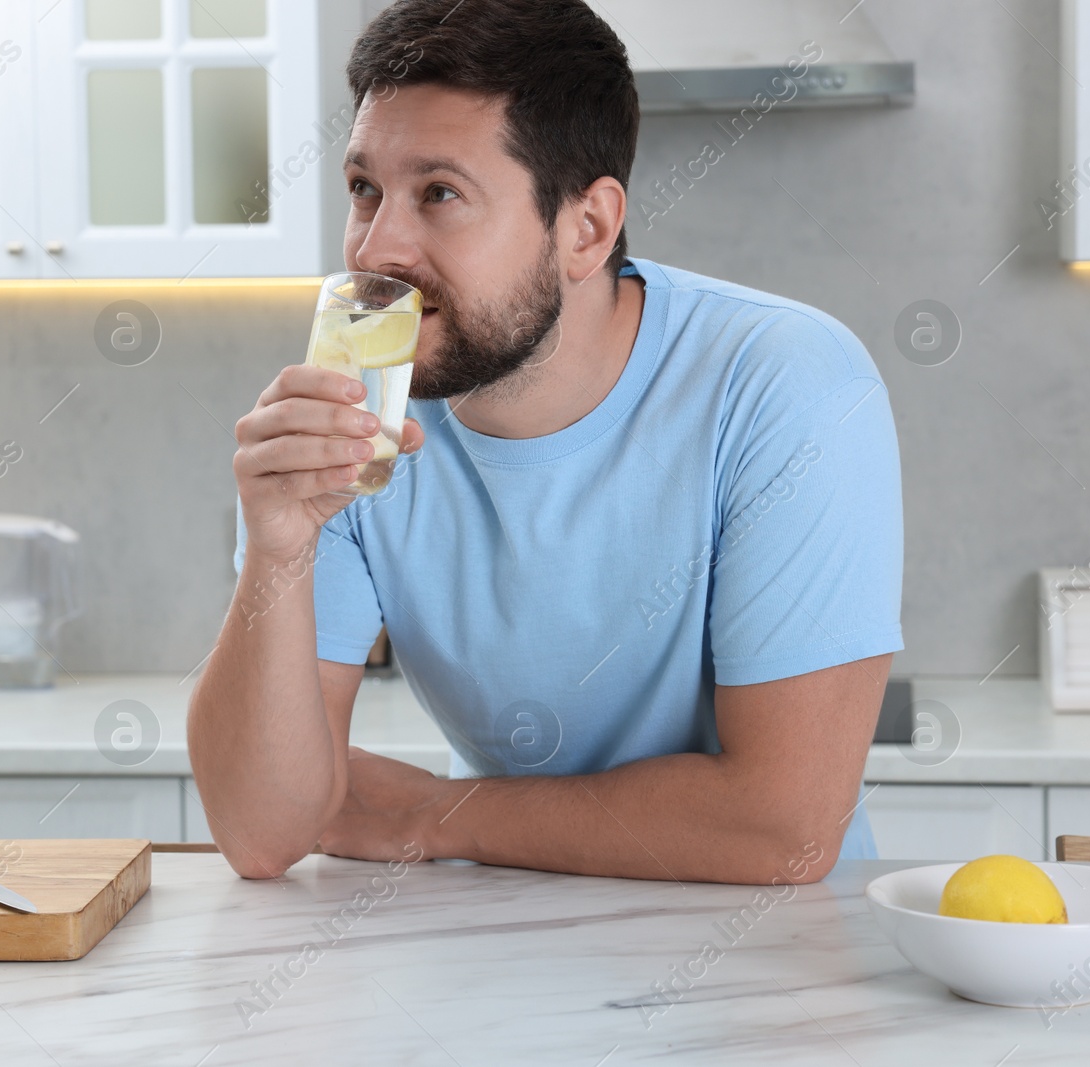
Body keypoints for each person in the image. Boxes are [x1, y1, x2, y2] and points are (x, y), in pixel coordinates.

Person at [188, 0, 902, 885]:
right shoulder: (351, 422)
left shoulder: (785, 381)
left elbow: (779, 829)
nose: (377, 247)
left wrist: (428, 811)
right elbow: (264, 834)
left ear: (586, 229)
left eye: (440, 194)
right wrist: (277, 547)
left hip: (774, 963)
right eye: (365, 188)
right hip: (505, 946)